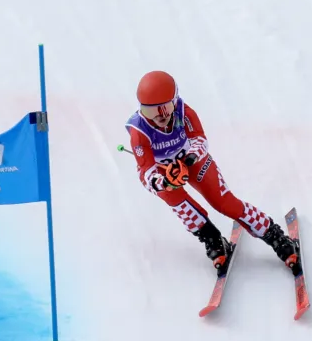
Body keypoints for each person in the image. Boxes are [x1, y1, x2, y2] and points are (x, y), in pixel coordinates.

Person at [124, 70, 300, 277]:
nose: (159, 116)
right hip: (166, 173)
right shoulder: (139, 132)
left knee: (224, 202)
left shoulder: (184, 113)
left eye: (165, 108)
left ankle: (274, 235)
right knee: (185, 210)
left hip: (193, 161)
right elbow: (145, 169)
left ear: (175, 100)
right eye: (149, 111)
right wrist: (160, 181)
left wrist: (190, 157)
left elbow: (200, 139)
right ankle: (213, 239)